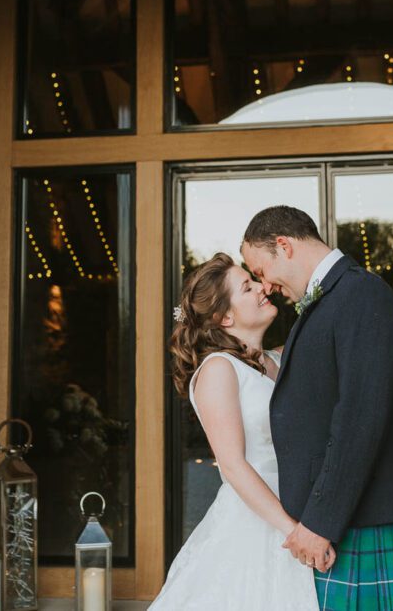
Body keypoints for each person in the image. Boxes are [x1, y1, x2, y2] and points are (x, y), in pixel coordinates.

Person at [240, 206, 393, 610]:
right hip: (350, 515)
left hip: (370, 514)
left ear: (284, 246)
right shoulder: (330, 299)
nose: (264, 285)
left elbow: (359, 419)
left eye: (261, 270)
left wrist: (320, 522)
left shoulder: (360, 293)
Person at [149, 253, 318, 610]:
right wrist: (291, 531)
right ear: (225, 317)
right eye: (248, 286)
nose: (261, 287)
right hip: (257, 523)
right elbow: (233, 466)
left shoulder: (280, 359)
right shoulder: (218, 370)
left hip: (301, 507)